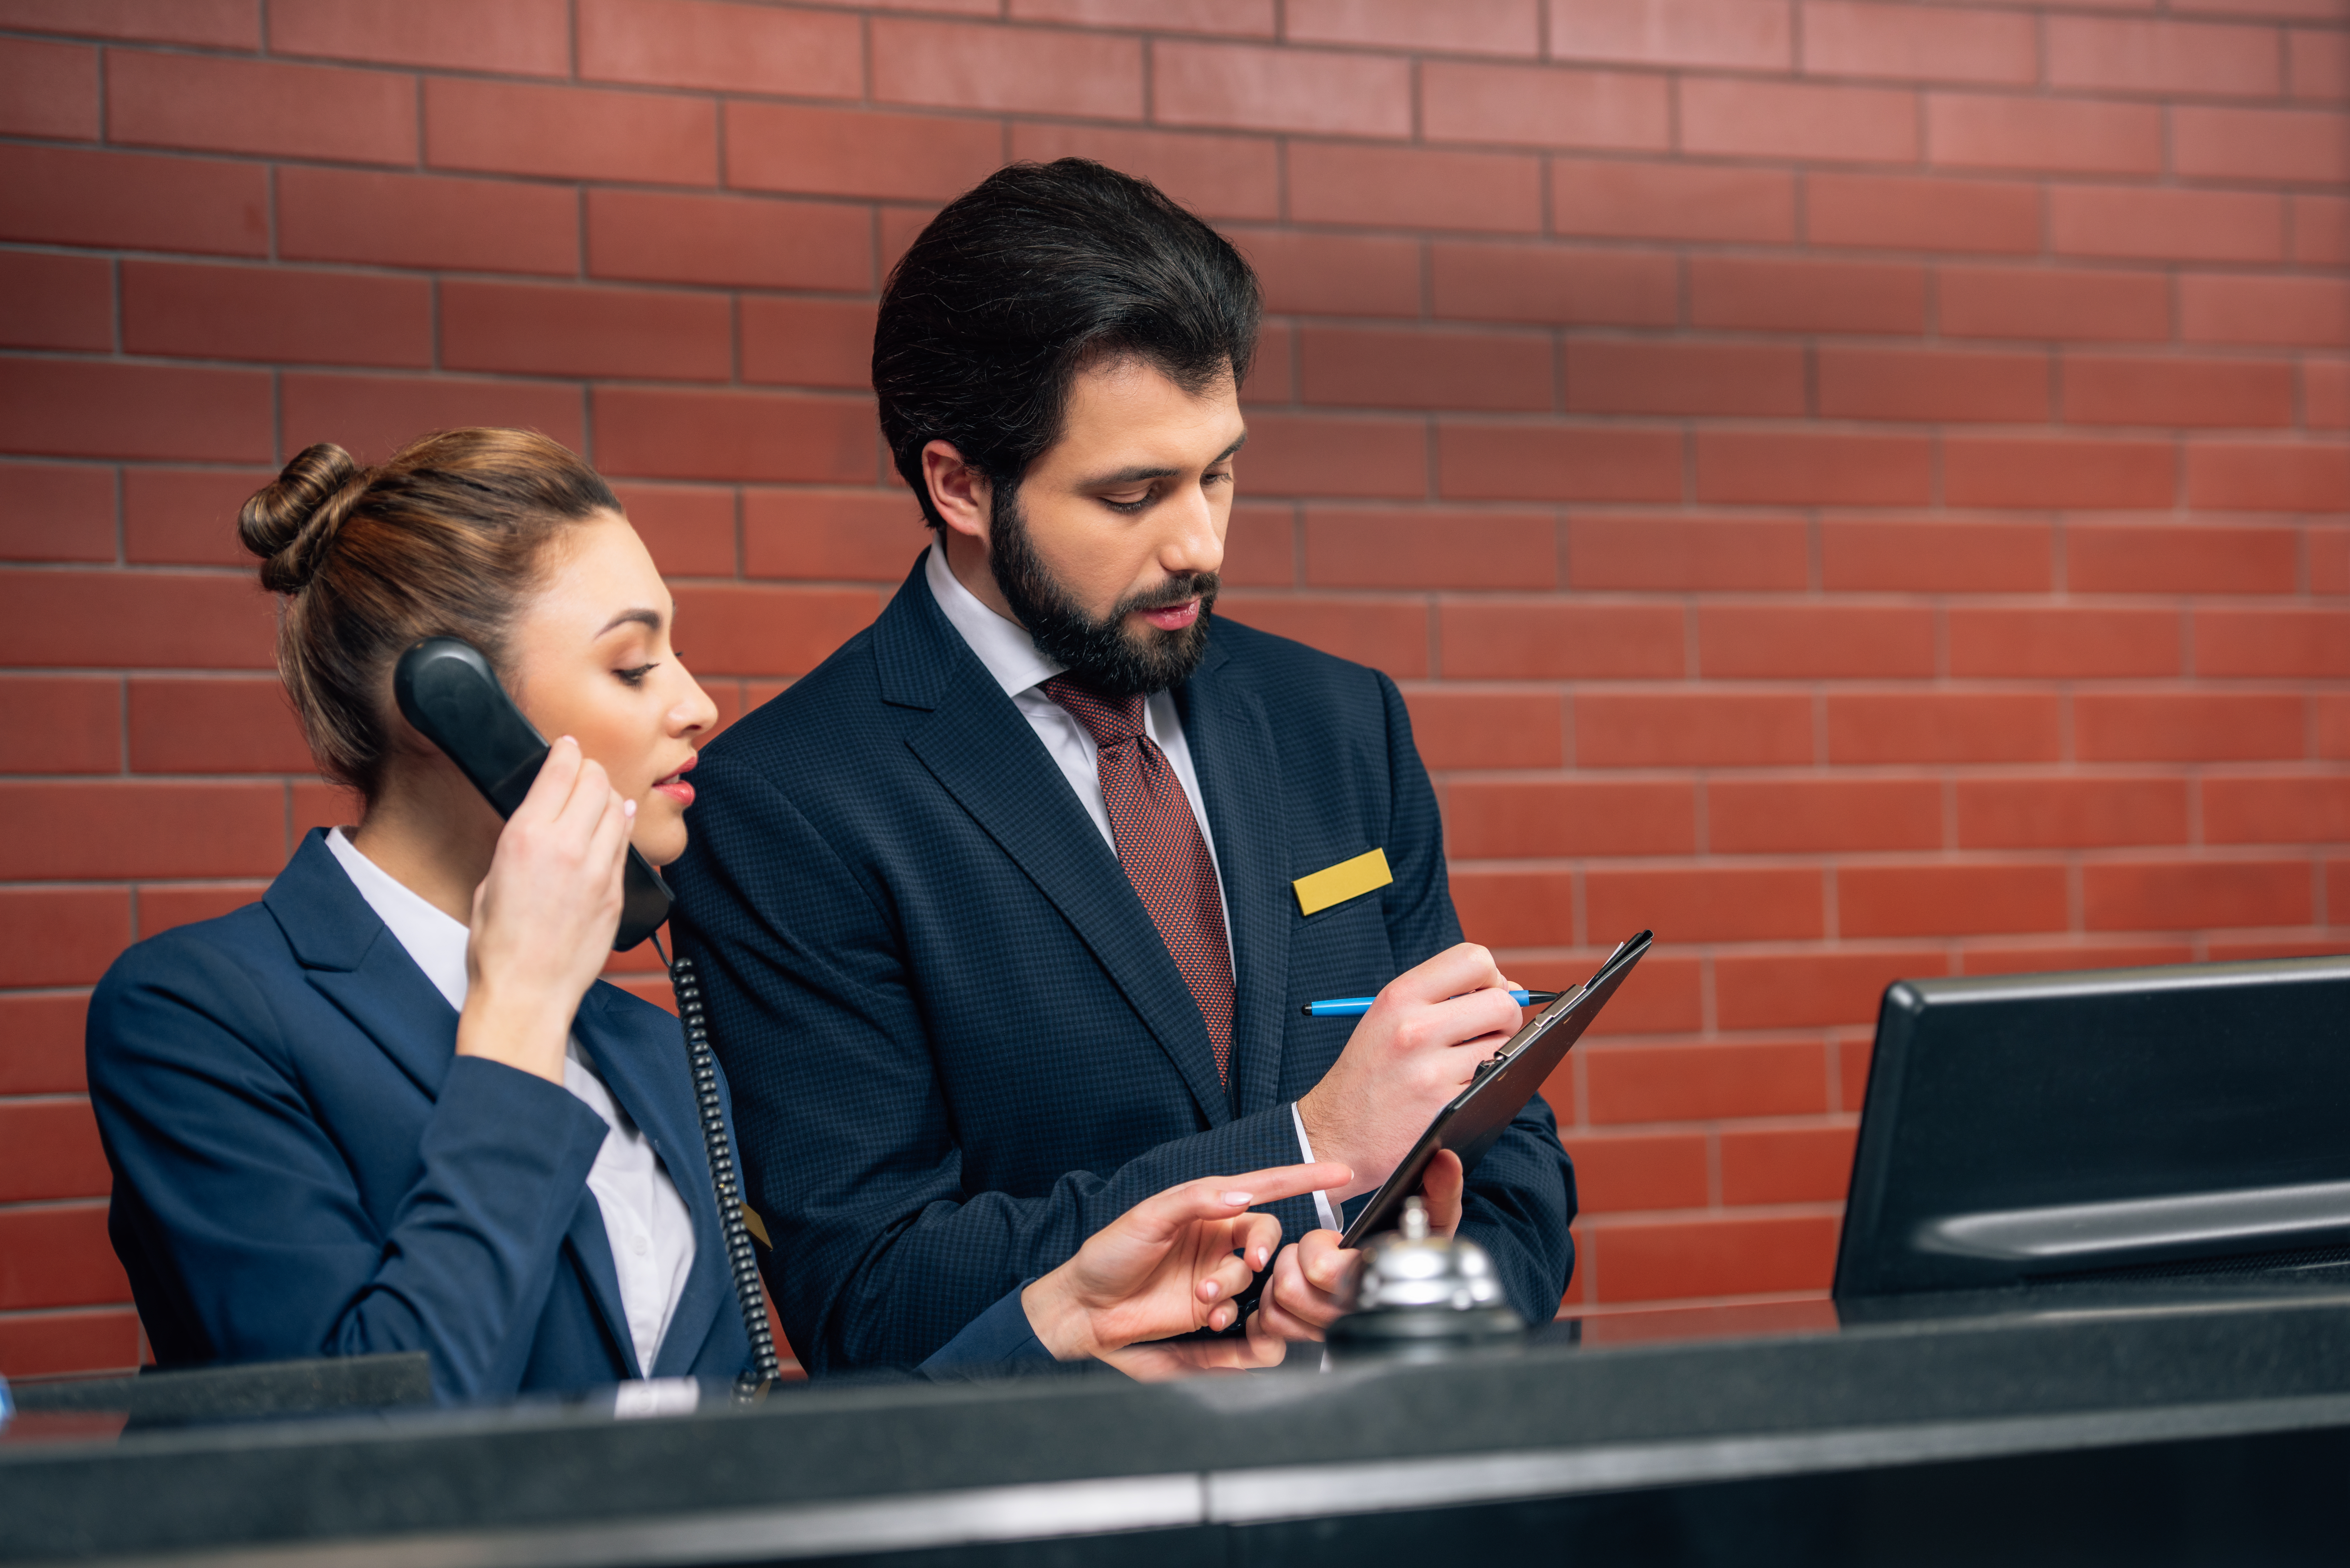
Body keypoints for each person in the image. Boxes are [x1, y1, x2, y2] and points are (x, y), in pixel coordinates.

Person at [85, 430, 1343, 1404]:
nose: (695, 705)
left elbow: (735, 1456)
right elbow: (362, 1443)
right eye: (634, 665)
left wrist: (1052, 1322)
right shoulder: (203, 1017)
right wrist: (515, 1013)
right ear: (447, 706)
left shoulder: (638, 1054)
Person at [665, 159, 1577, 1375]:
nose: (1199, 542)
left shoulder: (1339, 721)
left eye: (1221, 472)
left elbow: (1507, 1160)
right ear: (960, 484)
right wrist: (1309, 1149)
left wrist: (1404, 1296)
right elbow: (870, 1297)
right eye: (1135, 493)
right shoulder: (790, 805)